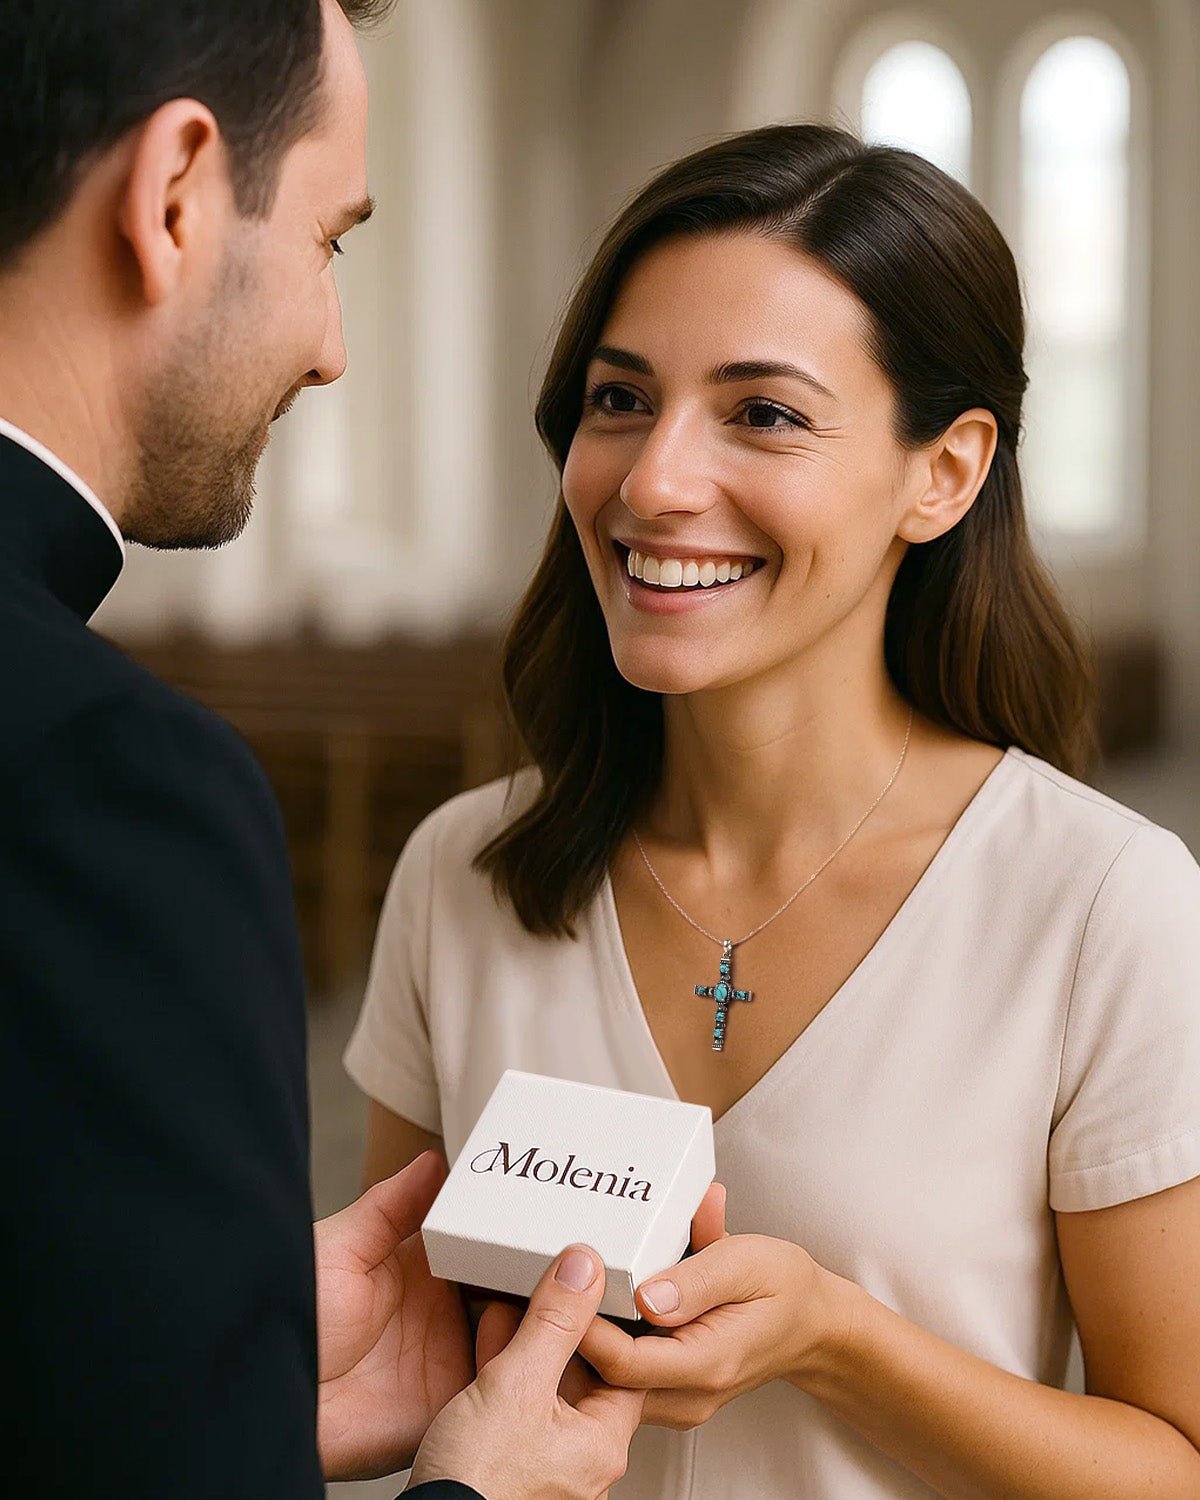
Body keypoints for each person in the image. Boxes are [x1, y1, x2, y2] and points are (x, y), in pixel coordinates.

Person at [346, 123, 1200, 1498]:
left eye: (765, 413)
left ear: (947, 472)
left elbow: (1179, 1462)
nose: (652, 480)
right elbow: (411, 1341)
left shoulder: (1102, 905)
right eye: (620, 399)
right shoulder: (465, 871)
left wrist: (839, 1342)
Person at [0, 2, 648, 1495]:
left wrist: (175, 1370)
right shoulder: (113, 794)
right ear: (174, 196)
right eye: (329, 240)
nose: (333, 348)